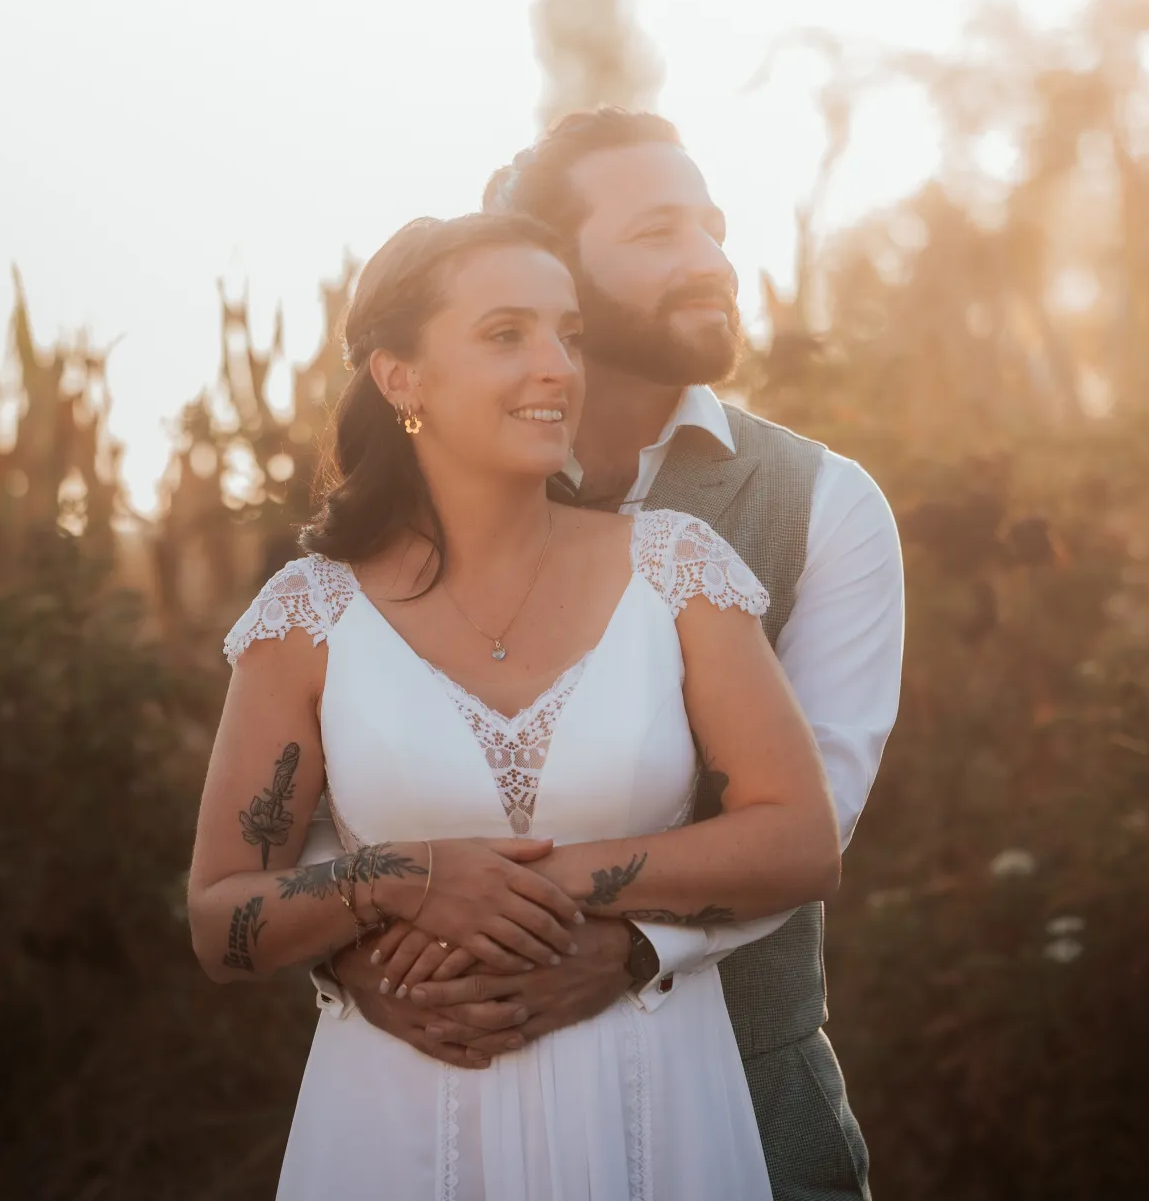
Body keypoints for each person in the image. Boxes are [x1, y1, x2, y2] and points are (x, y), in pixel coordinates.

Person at [188, 209, 843, 1199]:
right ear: (400, 377)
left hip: (651, 1110)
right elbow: (221, 914)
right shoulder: (307, 615)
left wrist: (537, 883)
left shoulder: (675, 569)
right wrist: (405, 875)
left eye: (568, 334)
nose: (558, 367)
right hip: (397, 1125)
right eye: (508, 334)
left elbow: (801, 841)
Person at [316, 110, 906, 1201]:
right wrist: (357, 962)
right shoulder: (388, 530)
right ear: (549, 267)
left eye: (715, 228)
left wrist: (633, 947)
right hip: (437, 1098)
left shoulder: (823, 505)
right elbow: (311, 804)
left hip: (745, 1105)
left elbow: (815, 811)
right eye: (658, 232)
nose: (712, 262)